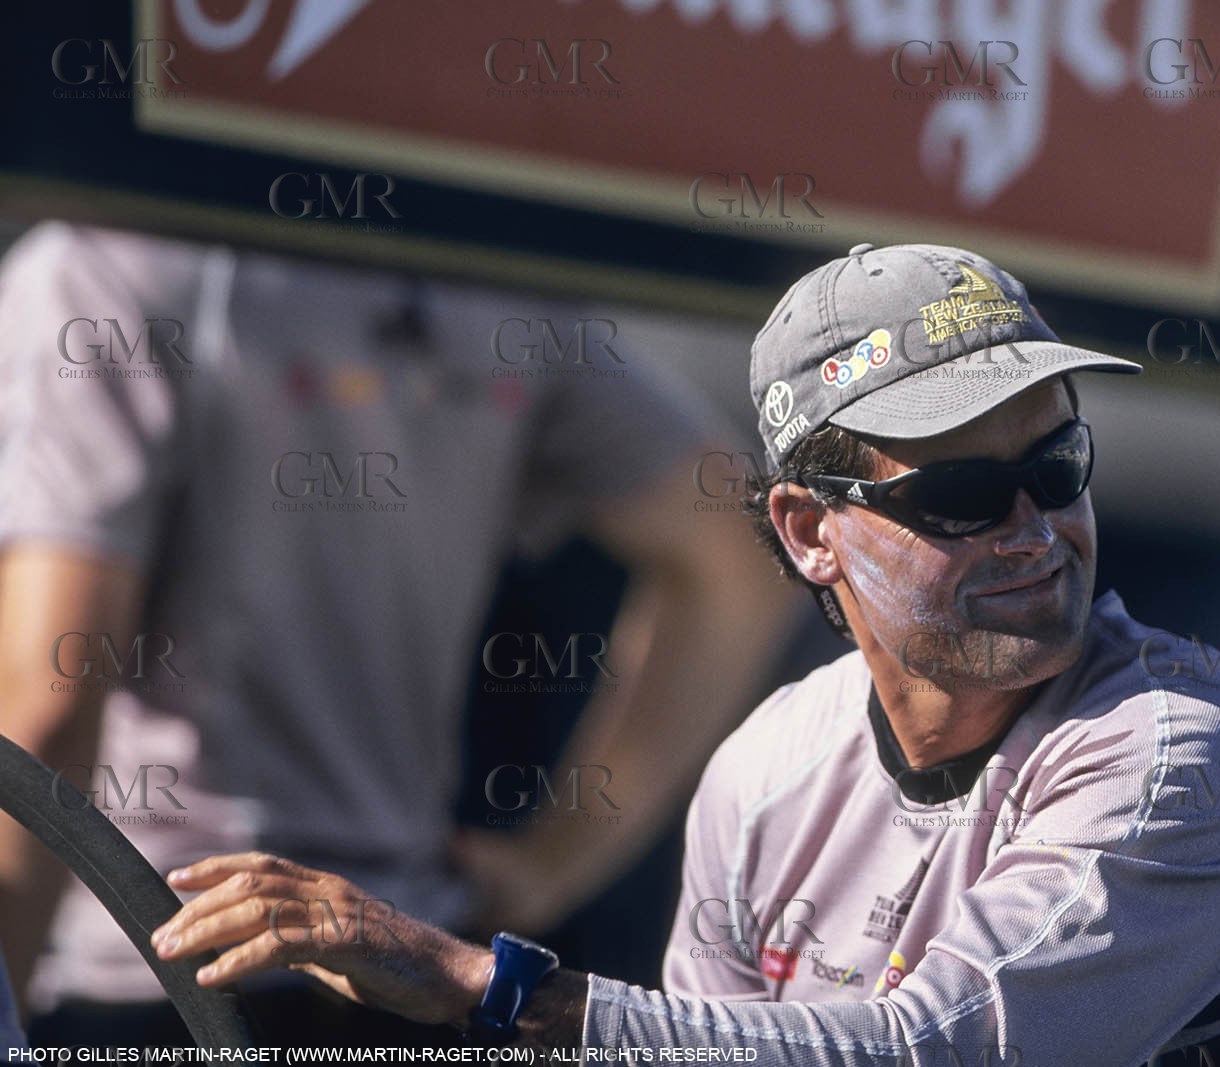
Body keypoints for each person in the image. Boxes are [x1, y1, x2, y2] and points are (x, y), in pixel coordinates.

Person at [153, 243, 1220, 1064]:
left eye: (1056, 467)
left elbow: (926, 1046)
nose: (1034, 529)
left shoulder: (1188, 751)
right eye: (962, 491)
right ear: (807, 532)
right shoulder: (766, 767)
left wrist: (484, 980)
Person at [0, 222, 796, 1042]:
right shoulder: (489, 278)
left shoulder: (98, 262)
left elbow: (47, 707)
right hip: (403, 979)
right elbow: (740, 551)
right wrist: (548, 867)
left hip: (156, 978)